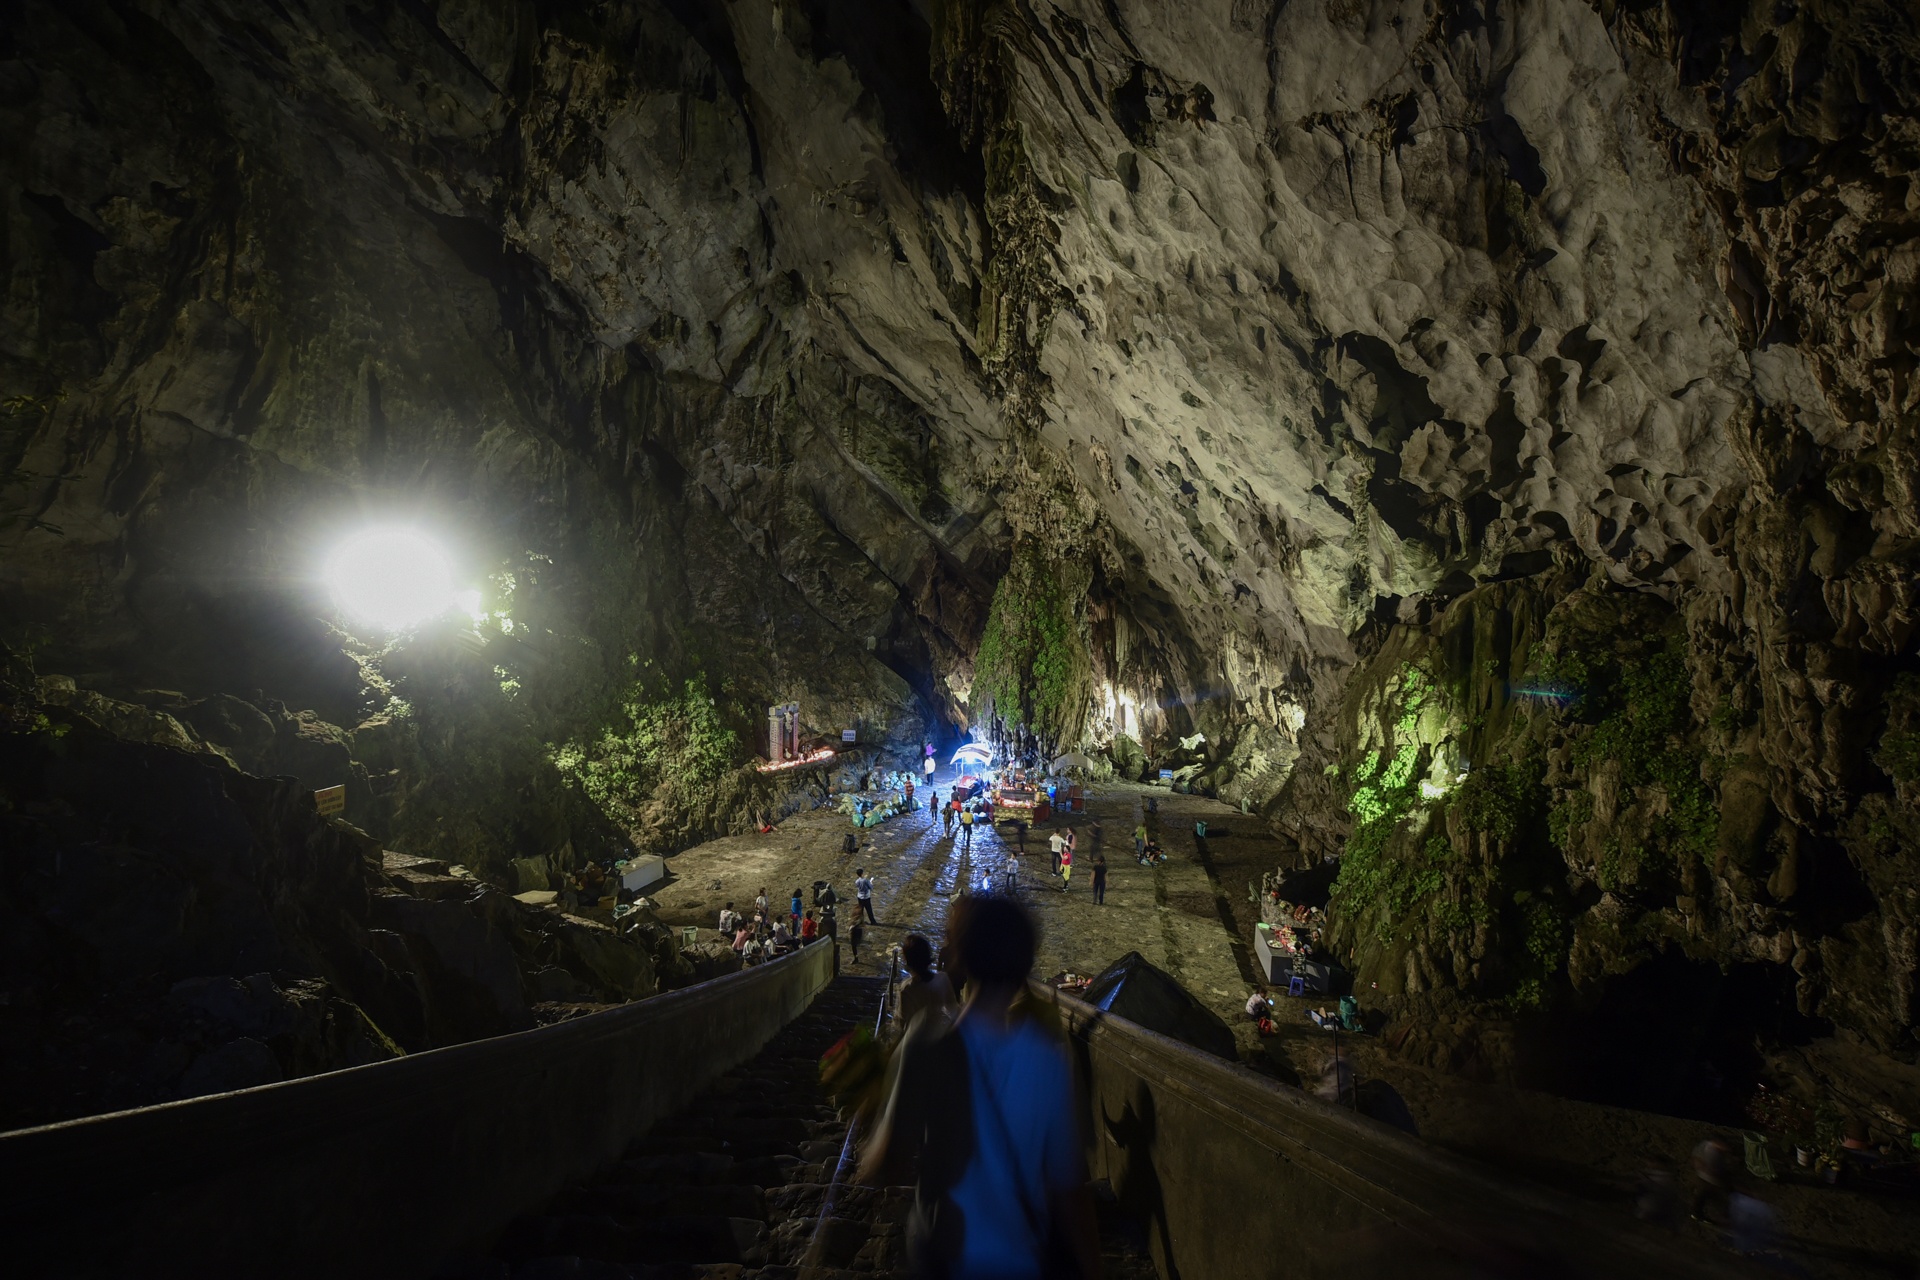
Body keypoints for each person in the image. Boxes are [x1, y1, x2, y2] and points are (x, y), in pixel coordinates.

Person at [861, 896, 1100, 1280]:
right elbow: (1071, 1189)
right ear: (1025, 965)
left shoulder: (925, 1042)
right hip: (1022, 1258)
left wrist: (874, 1100)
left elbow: (888, 1163)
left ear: (960, 959)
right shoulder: (1049, 1061)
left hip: (946, 1255)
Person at [899, 933, 956, 1030]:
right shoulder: (943, 978)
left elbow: (904, 1024)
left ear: (908, 961)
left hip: (918, 1040)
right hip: (939, 1034)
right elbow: (953, 1009)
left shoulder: (907, 989)